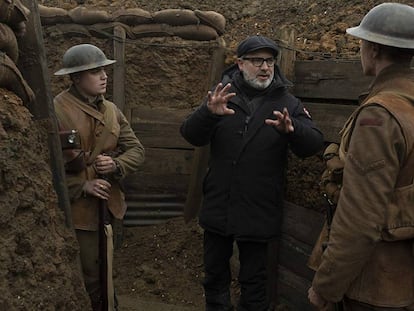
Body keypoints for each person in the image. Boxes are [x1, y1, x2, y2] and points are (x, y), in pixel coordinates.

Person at [180, 35, 324, 311]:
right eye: (257, 61)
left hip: (259, 208)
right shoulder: (221, 95)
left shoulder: (287, 102)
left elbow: (313, 143)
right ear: (240, 64)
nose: (265, 67)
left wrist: (293, 130)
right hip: (219, 204)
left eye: (269, 61)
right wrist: (208, 114)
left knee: (255, 282)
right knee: (214, 277)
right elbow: (190, 135)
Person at [308, 3, 414, 311]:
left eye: (362, 42)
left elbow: (360, 219)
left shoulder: (379, 116)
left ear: (375, 49)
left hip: (377, 287)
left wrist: (327, 287)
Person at [53, 44, 145, 310]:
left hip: (108, 204)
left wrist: (115, 164)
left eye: (104, 69)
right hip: (77, 211)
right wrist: (82, 185)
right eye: (95, 71)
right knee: (88, 275)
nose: (104, 76)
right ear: (76, 78)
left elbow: (137, 150)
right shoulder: (56, 110)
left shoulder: (112, 111)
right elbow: (46, 168)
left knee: (106, 270)